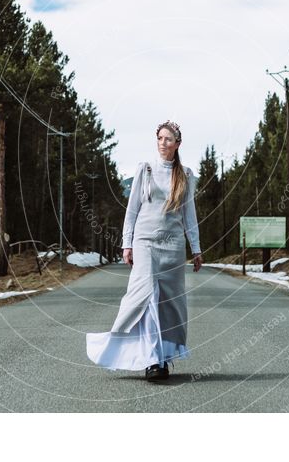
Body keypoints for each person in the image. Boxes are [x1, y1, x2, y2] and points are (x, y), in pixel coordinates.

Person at [86, 120, 202, 381]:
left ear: (177, 144)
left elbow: (189, 214)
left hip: (172, 245)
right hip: (145, 241)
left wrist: (196, 248)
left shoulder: (185, 174)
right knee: (145, 296)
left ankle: (163, 357)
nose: (163, 143)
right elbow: (132, 210)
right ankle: (151, 360)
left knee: (168, 304)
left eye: (169, 139)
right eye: (160, 138)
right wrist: (127, 243)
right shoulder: (145, 169)